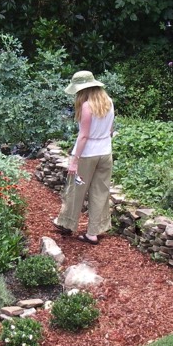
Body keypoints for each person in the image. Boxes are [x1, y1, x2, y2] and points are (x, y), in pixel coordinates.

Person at [53, 70, 115, 245]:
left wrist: (74, 160)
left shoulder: (87, 106)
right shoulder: (108, 102)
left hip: (87, 155)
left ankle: (67, 224)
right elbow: (110, 130)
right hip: (105, 152)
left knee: (76, 189)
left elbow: (84, 136)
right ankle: (93, 232)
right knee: (100, 191)